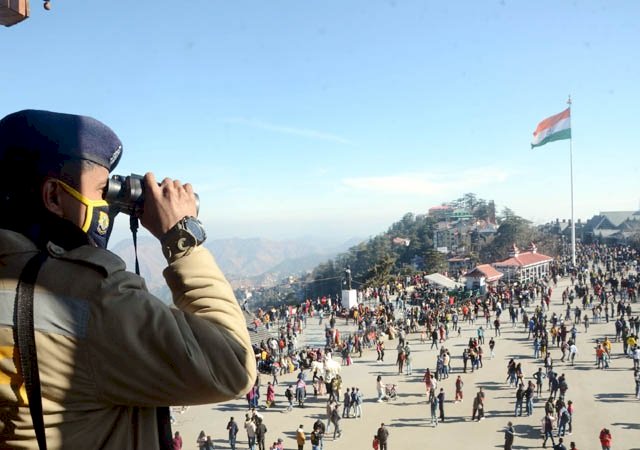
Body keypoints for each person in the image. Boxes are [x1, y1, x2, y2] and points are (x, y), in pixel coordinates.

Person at [0, 109, 257, 448]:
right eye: (103, 190)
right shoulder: (92, 297)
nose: (109, 205)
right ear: (53, 196)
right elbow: (232, 365)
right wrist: (182, 239)